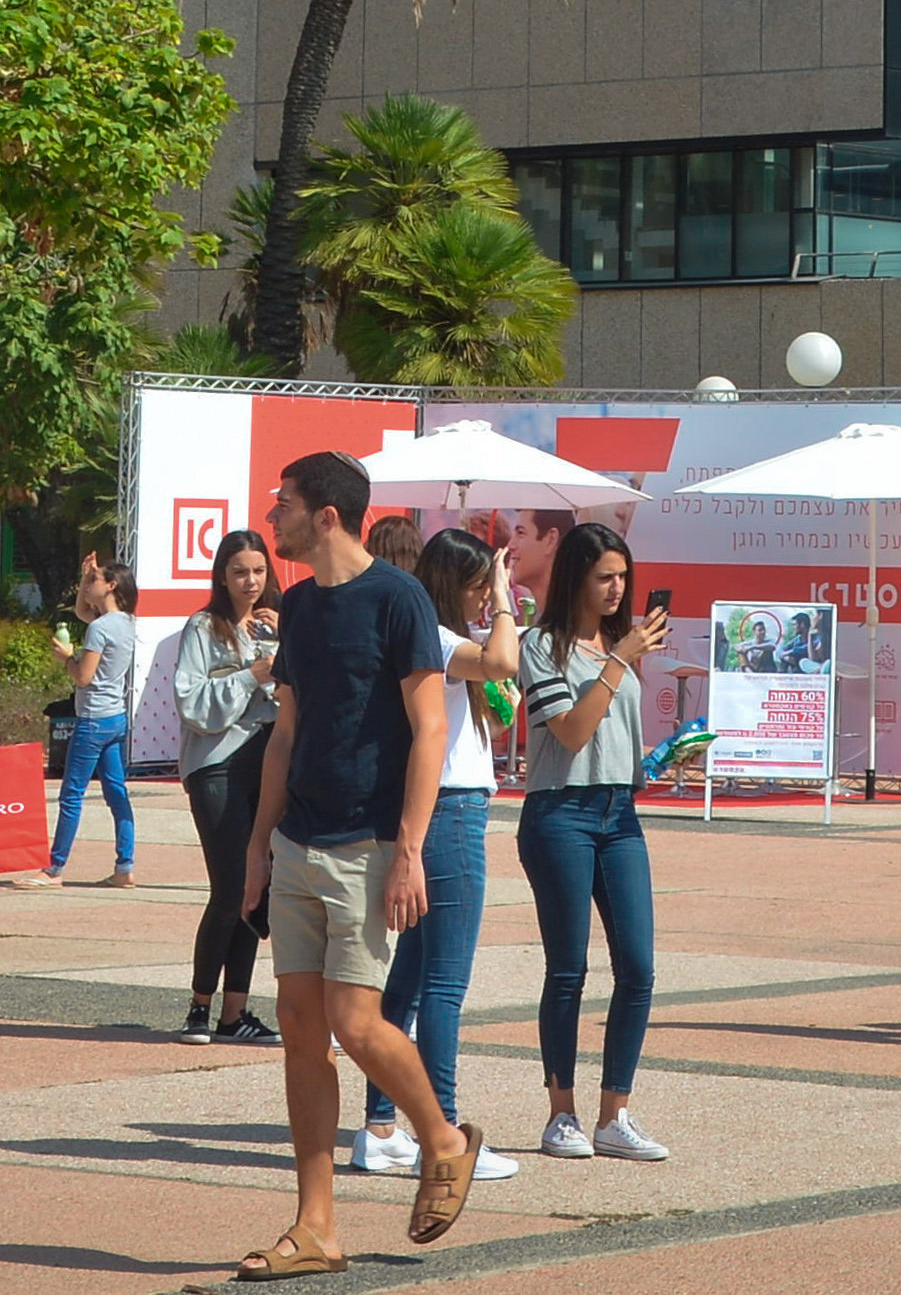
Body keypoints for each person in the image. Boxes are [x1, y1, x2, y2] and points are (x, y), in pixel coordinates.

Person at [234, 450, 478, 1279]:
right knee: (301, 1031)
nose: (273, 518)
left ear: (327, 515)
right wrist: (259, 847)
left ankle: (442, 1138)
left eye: (284, 504)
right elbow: (286, 734)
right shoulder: (299, 605)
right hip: (298, 843)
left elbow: (431, 729)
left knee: (356, 1021)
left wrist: (410, 848)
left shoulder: (398, 598)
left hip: (370, 845)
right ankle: (316, 1228)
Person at [356, 529, 523, 1183]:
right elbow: (502, 662)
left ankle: (380, 1127)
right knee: (445, 986)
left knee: (409, 982)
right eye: (479, 586)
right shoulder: (441, 638)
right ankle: (444, 1133)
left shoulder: (431, 637)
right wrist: (505, 597)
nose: (487, 597)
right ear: (457, 584)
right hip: (452, 811)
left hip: (443, 808)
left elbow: (497, 697)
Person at [516, 524, 665, 1161]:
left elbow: (612, 730)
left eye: (623, 576)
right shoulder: (540, 645)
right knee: (568, 969)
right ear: (576, 576)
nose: (617, 588)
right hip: (560, 812)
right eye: (605, 576)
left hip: (619, 811)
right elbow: (572, 732)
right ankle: (561, 1114)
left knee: (639, 967)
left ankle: (615, 1115)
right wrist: (619, 661)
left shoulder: (615, 645)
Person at [175, 528, 284, 1046]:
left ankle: (234, 1014)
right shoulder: (203, 627)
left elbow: (301, 694)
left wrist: (289, 643)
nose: (250, 581)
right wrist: (251, 675)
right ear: (222, 576)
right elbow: (192, 704)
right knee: (230, 886)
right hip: (216, 765)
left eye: (259, 571)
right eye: (240, 572)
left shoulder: (274, 627)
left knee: (256, 889)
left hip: (269, 763)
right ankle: (199, 1006)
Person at [34, 560, 141, 888]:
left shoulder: (100, 629)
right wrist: (85, 576)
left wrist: (67, 657)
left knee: (71, 794)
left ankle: (54, 868)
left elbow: (83, 677)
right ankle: (125, 866)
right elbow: (82, 610)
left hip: (93, 720)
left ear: (111, 585)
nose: (88, 585)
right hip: (115, 718)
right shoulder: (125, 622)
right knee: (117, 793)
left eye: (94, 579)